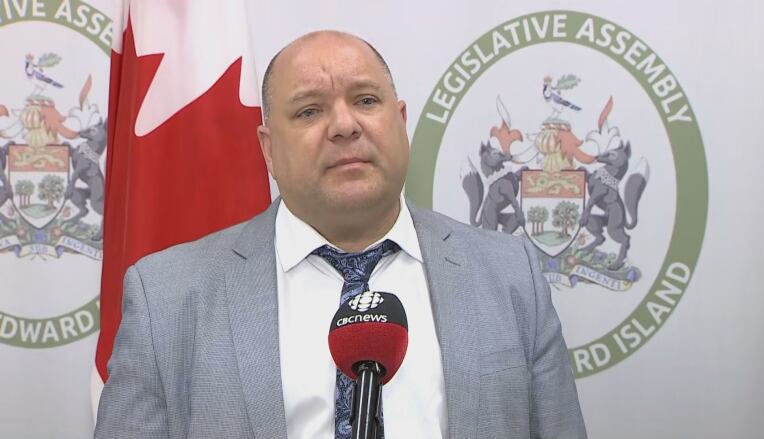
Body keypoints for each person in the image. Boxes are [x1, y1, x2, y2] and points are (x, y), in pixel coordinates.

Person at [94, 31, 587, 439]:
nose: (344, 125)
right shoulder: (167, 296)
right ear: (267, 149)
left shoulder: (510, 275)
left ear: (400, 122)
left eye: (366, 100)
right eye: (309, 111)